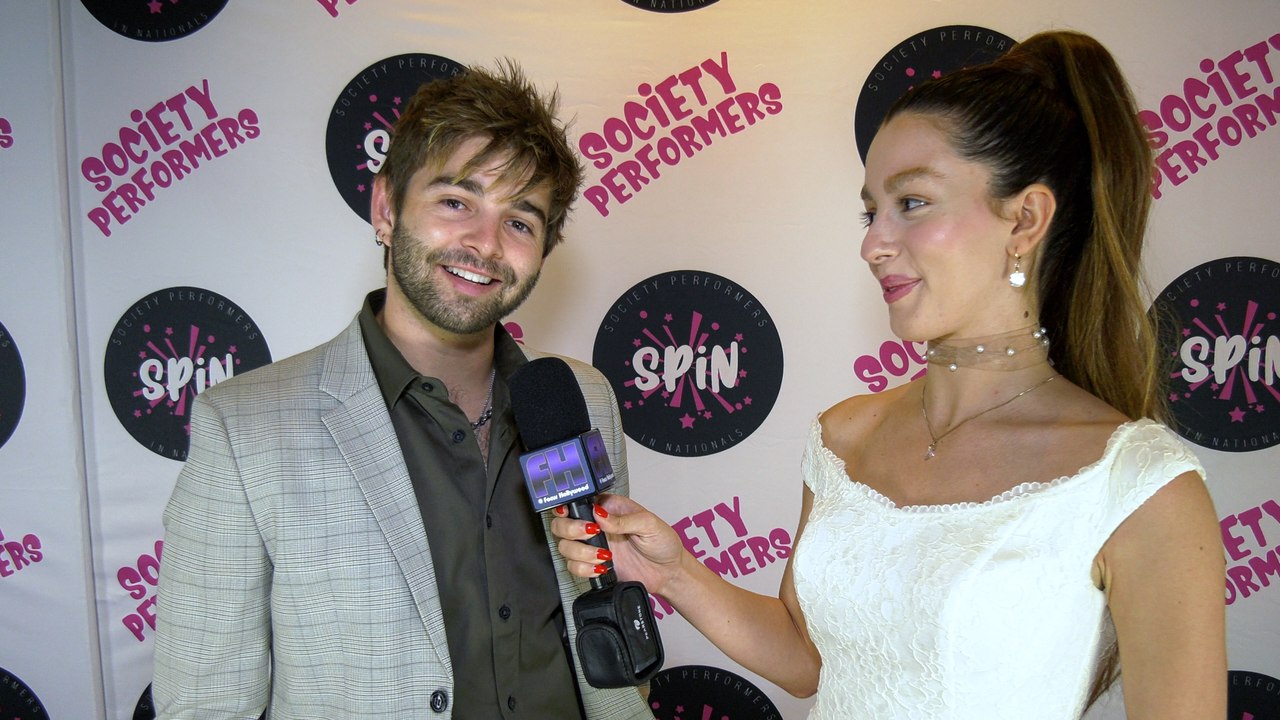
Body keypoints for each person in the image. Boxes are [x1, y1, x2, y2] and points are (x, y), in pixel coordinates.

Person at [552, 30, 1226, 718]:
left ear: (1025, 219)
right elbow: (809, 660)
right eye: (871, 211)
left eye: (912, 203)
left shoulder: (1139, 484)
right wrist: (674, 574)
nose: (873, 243)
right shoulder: (844, 435)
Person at [152, 60, 654, 720]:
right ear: (385, 207)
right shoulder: (244, 427)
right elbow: (206, 703)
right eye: (455, 202)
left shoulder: (581, 399)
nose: (484, 244)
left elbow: (607, 613)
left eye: (521, 221)